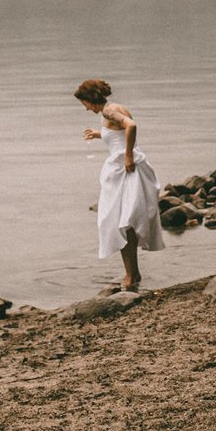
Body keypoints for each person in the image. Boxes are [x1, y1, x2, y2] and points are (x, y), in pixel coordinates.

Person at [77, 78, 162, 291]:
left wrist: (127, 156)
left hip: (125, 170)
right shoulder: (112, 108)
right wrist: (100, 134)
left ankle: (131, 277)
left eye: (84, 104)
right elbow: (120, 131)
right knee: (125, 222)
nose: (86, 109)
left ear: (90, 99)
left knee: (122, 223)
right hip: (124, 169)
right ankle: (133, 273)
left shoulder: (108, 112)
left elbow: (131, 126)